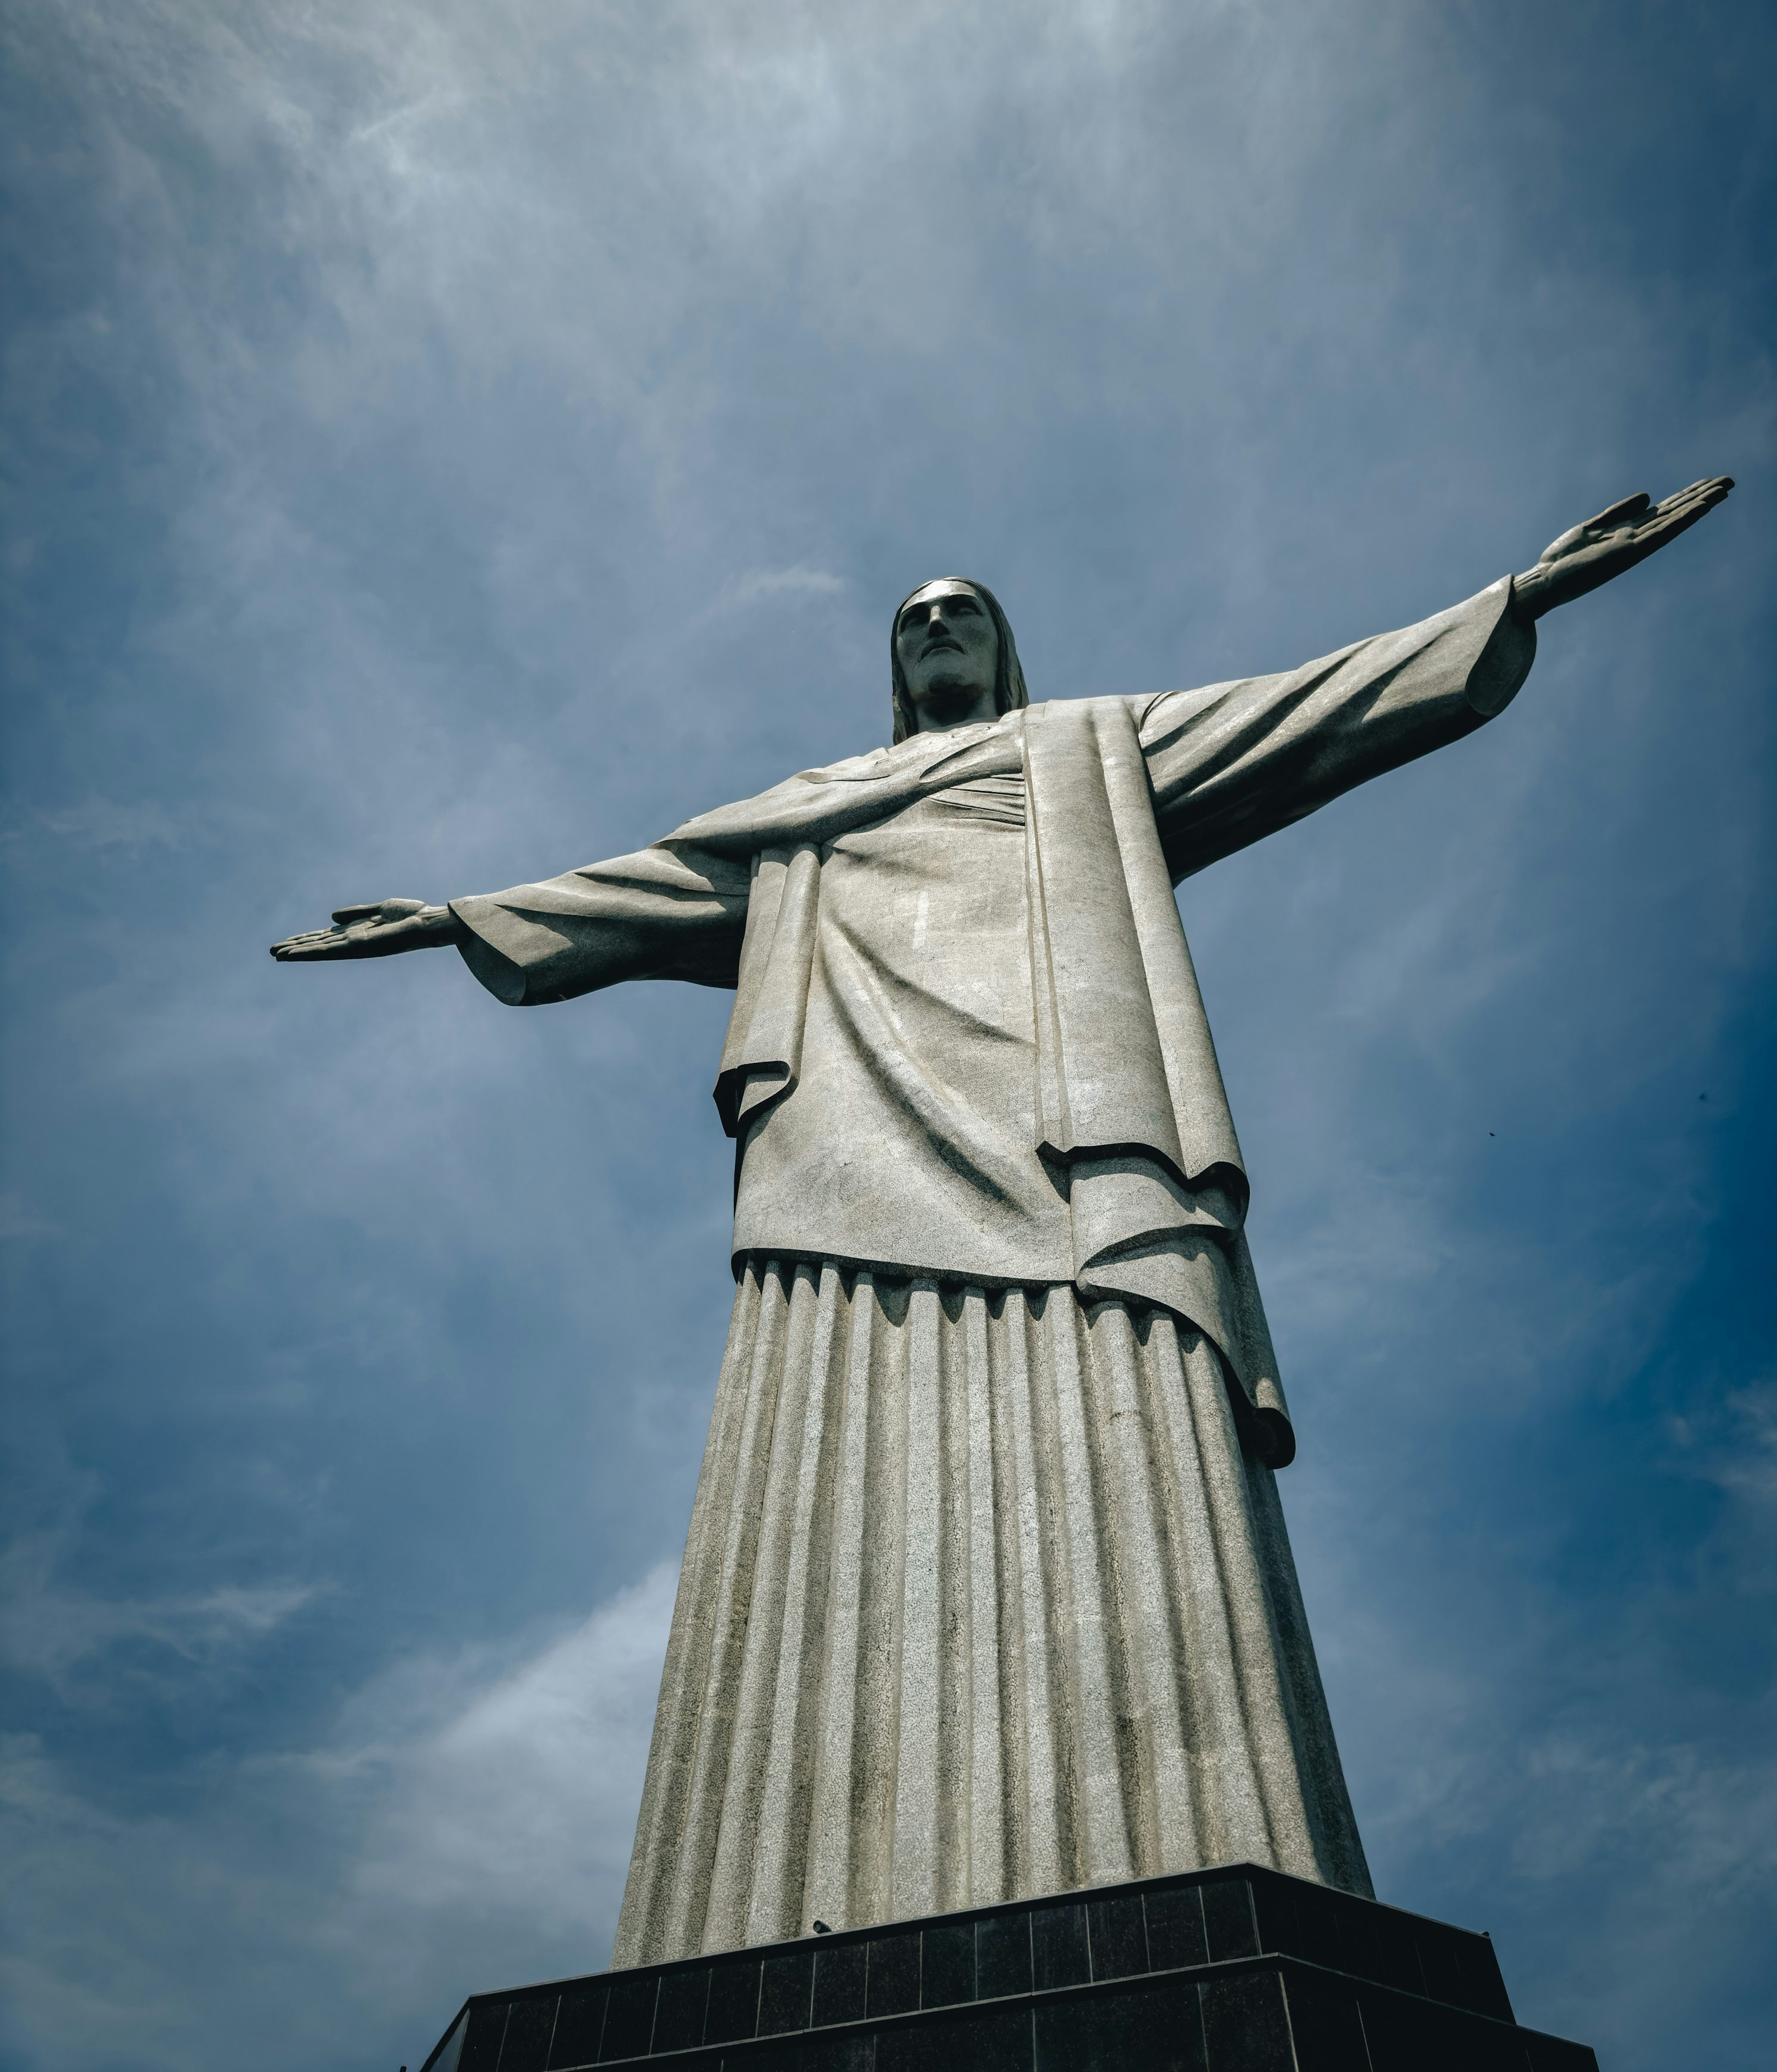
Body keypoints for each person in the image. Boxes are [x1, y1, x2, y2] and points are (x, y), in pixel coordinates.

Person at [274, 476, 1731, 1964]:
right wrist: (454, 915)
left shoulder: (1090, 747)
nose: (935, 626)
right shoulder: (805, 813)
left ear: (1002, 644)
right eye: (912, 618)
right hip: (844, 1140)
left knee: (1121, 1408)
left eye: (961, 609)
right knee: (832, 1442)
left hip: (1072, 1132)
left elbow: (1307, 710)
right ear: (893, 662)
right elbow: (634, 887)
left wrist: (1516, 596)